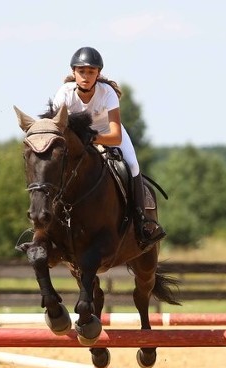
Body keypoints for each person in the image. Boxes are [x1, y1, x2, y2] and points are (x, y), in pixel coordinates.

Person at [51, 46, 166, 249]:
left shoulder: (107, 93)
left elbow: (115, 136)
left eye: (91, 72)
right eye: (81, 72)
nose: (86, 76)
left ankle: (142, 221)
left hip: (106, 134)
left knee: (132, 166)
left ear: (98, 74)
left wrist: (91, 138)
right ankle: (47, 220)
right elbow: (56, 130)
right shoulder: (63, 94)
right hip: (78, 138)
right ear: (73, 73)